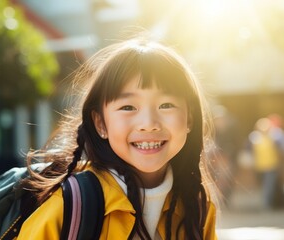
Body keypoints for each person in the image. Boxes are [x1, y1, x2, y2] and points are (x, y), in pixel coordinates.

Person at [17, 36, 218, 239]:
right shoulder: (70, 209)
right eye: (128, 107)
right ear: (100, 124)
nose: (148, 123)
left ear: (189, 118)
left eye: (166, 105)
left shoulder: (196, 210)